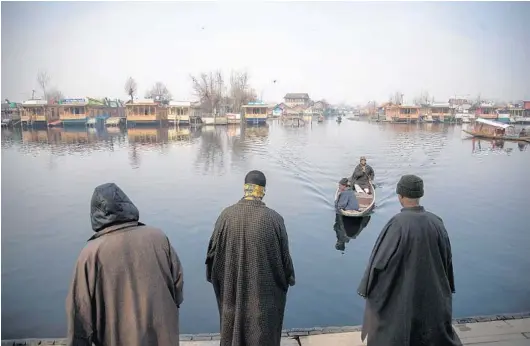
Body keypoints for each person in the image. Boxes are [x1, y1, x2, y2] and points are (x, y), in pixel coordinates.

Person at [66, 183, 184, 346]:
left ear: (95, 214)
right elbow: (178, 290)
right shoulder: (159, 238)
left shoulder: (90, 254)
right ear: (127, 205)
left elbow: (80, 317)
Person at [357, 175, 461, 346]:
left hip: (404, 291)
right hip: (432, 290)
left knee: (398, 326)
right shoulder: (437, 222)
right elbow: (447, 258)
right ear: (420, 195)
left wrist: (368, 287)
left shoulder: (397, 224)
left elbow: (379, 263)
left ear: (400, 195)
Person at [206, 170, 295, 346]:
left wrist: (217, 277)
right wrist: (289, 278)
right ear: (262, 190)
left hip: (232, 292)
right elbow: (285, 261)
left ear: (245, 188)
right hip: (263, 295)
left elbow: (212, 256)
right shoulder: (274, 219)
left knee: (232, 328)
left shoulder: (225, 216)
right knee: (262, 331)